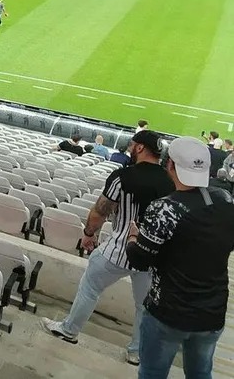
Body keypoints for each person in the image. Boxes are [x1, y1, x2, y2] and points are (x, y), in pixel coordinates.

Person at [41, 130, 174, 366]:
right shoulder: (169, 181)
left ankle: (70, 330)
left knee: (90, 287)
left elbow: (100, 211)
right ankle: (136, 352)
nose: (131, 148)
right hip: (152, 256)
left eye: (133, 144)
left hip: (118, 250)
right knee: (144, 306)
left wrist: (88, 234)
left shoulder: (122, 176)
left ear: (141, 148)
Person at [126, 137, 234, 378]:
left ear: (170, 166)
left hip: (167, 313)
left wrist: (133, 238)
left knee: (152, 373)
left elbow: (139, 260)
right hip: (211, 314)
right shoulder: (227, 203)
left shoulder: (164, 208)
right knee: (201, 373)